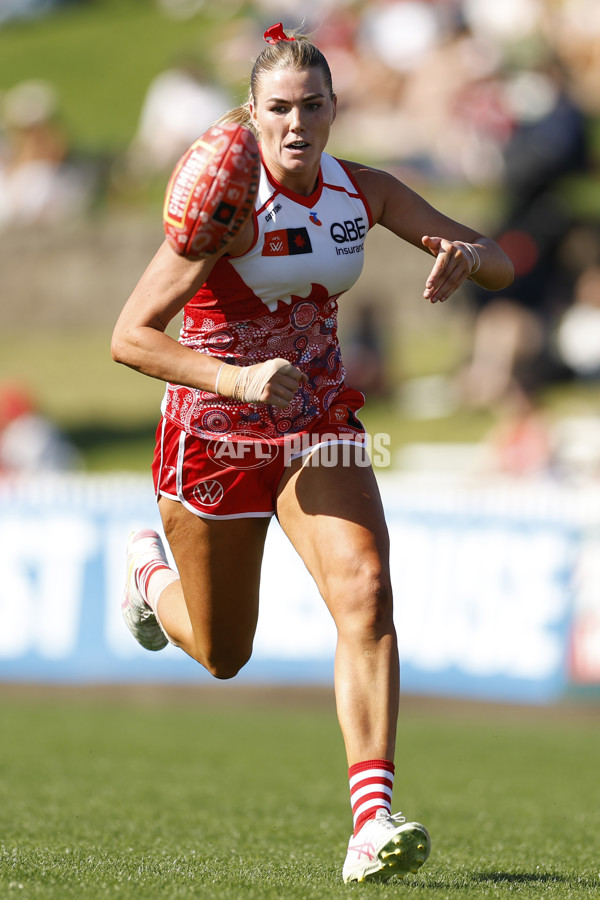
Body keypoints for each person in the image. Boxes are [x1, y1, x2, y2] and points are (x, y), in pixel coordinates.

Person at [111, 23, 513, 884]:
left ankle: (372, 823)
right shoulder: (223, 202)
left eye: (314, 105)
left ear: (335, 108)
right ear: (252, 114)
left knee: (366, 591)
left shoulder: (362, 190)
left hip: (316, 419)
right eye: (280, 108)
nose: (298, 123)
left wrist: (468, 257)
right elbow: (131, 337)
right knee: (223, 653)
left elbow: (503, 264)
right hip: (215, 436)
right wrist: (237, 379)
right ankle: (148, 576)